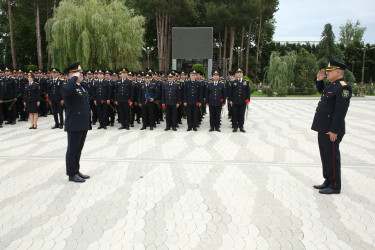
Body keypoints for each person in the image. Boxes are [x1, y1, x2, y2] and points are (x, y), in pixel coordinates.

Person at [312, 60, 352, 195]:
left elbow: (340, 112)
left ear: (338, 72)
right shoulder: (332, 85)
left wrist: (334, 130)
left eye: (330, 71)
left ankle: (335, 185)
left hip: (331, 129)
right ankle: (328, 180)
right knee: (325, 156)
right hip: (324, 127)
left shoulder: (343, 88)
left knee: (332, 158)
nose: (327, 72)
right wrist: (319, 80)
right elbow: (322, 91)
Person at [61, 62, 91, 183]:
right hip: (74, 122)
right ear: (70, 75)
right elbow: (67, 89)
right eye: (77, 73)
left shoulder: (80, 86)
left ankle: (76, 170)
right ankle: (71, 173)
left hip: (82, 122)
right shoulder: (67, 87)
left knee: (78, 149)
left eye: (80, 73)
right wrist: (73, 77)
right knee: (72, 149)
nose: (80, 74)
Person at [228, 67, 250, 132]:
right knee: (235, 114)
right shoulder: (232, 82)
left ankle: (241, 127)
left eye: (241, 72)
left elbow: (248, 92)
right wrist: (230, 100)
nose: (239, 74)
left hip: (243, 101)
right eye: (238, 73)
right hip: (235, 102)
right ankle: (235, 127)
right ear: (235, 74)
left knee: (241, 114)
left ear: (242, 74)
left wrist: (248, 100)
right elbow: (230, 92)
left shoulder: (246, 82)